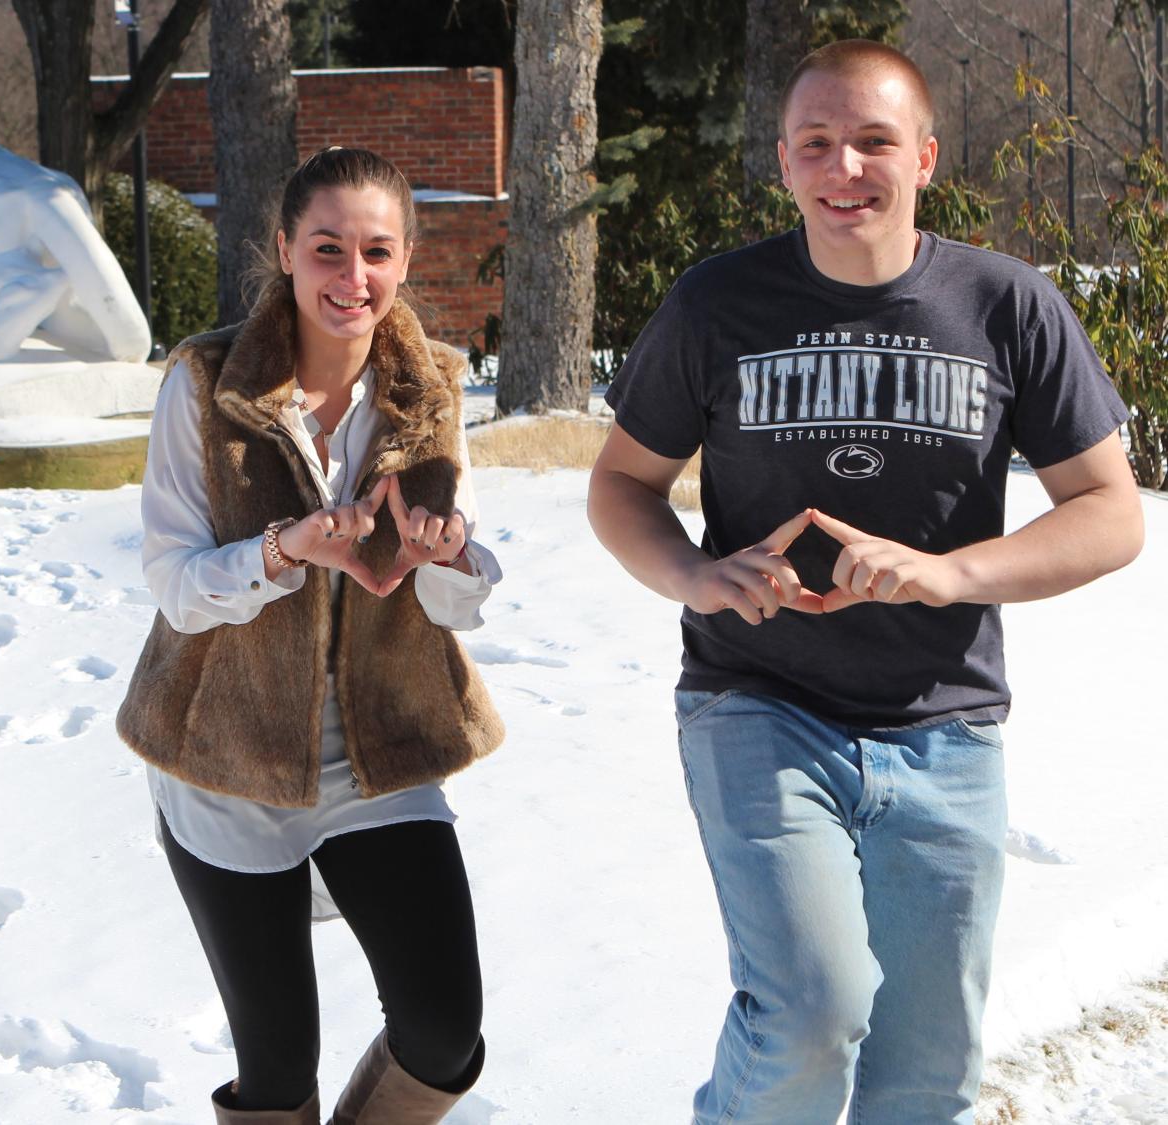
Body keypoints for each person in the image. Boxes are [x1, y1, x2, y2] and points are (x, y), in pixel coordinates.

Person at [587, 39, 1143, 1124]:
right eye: (818, 144)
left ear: (926, 157)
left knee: (927, 1072)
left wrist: (949, 573)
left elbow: (1111, 512)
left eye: (875, 141)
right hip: (758, 706)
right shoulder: (715, 307)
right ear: (786, 165)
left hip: (945, 725)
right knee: (809, 1011)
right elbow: (621, 487)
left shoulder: (1007, 306)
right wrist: (698, 577)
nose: (846, 167)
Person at [116, 147, 504, 1125]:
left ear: (408, 258)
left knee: (445, 1027)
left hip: (380, 754)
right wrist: (282, 551)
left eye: (376, 251)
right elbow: (173, 585)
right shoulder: (203, 387)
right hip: (228, 760)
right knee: (280, 1063)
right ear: (285, 249)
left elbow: (453, 604)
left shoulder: (431, 393)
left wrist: (448, 561)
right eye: (328, 248)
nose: (353, 277)